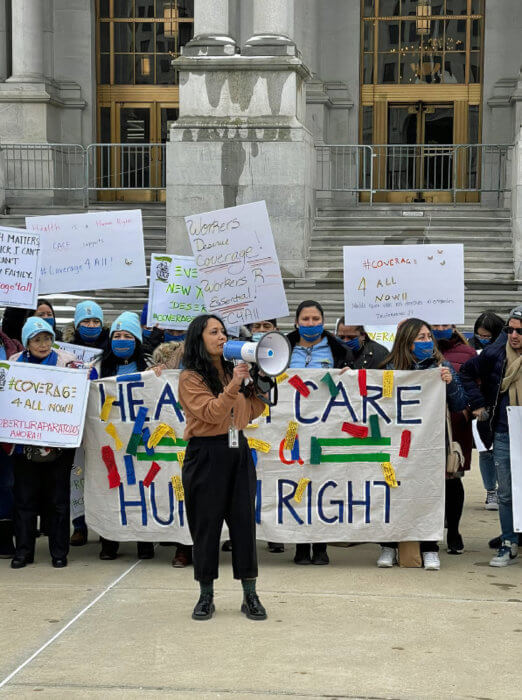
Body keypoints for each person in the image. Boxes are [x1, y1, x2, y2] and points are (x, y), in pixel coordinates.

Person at [178, 314, 267, 621]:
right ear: (198, 339)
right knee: (206, 526)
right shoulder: (190, 377)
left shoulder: (234, 369)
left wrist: (262, 389)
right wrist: (233, 385)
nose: (221, 337)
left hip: (237, 449)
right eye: (213, 332)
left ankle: (250, 594)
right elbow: (212, 412)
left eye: (224, 332)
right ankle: (205, 595)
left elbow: (251, 411)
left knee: (244, 524)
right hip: (205, 454)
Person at [376, 317, 466, 571]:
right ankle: (388, 545)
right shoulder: (387, 368)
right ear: (407, 342)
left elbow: (460, 404)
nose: (427, 341)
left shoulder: (441, 366)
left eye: (429, 336)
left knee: (428, 493)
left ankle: (429, 547)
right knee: (393, 492)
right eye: (421, 338)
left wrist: (449, 383)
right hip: (396, 442)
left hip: (430, 443)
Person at [287, 300, 354, 565]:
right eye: (306, 319)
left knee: (324, 481)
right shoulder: (280, 346)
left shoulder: (339, 350)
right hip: (291, 425)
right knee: (295, 482)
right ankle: (301, 545)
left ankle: (321, 545)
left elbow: (353, 385)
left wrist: (349, 375)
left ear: (323, 322)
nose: (311, 324)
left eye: (316, 319)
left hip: (327, 425)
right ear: (296, 322)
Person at [8, 317, 77, 568]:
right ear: (27, 342)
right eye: (37, 339)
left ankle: (59, 551)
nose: (43, 344)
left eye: (47, 338)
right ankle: (24, 551)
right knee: (25, 499)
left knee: (58, 500)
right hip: (24, 443)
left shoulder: (68, 362)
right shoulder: (13, 365)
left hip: (59, 443)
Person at [460, 305, 522, 567]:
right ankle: (508, 542)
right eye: (510, 330)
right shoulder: (495, 353)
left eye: (520, 331)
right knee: (506, 492)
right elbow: (464, 373)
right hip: (505, 431)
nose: (514, 335)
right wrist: (478, 404)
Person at [95, 311, 156, 561]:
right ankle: (109, 541)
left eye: (127, 336)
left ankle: (144, 541)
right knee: (110, 486)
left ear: (138, 340)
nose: (121, 340)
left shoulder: (151, 366)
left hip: (140, 437)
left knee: (143, 486)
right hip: (107, 439)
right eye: (117, 336)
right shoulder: (97, 367)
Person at [64, 300, 109, 547]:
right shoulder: (65, 352)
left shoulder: (112, 350)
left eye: (95, 322)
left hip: (102, 423)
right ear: (76, 324)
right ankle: (79, 525)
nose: (91, 326)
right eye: (85, 321)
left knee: (103, 474)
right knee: (77, 474)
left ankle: (105, 526)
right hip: (76, 423)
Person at [432, 324, 477, 554]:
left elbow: (474, 386)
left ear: (453, 326)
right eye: (435, 325)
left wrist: (469, 409)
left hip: (454, 426)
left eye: (445, 325)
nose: (440, 328)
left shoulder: (467, 353)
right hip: (423, 427)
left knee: (452, 479)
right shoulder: (415, 354)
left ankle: (453, 530)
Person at [151, 339, 192, 568]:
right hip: (176, 441)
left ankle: (198, 547)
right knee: (180, 490)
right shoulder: (173, 360)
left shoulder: (220, 362)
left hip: (206, 435)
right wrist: (155, 374)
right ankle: (183, 547)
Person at [468, 311, 505, 510]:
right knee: (485, 451)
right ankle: (491, 491)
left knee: (503, 450)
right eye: (479, 336)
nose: (482, 340)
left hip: (501, 403)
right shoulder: (471, 351)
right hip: (480, 405)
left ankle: (504, 490)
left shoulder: (505, 349)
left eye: (487, 337)